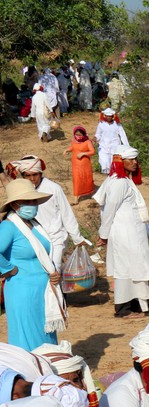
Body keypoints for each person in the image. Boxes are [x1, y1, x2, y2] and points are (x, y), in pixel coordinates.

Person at [0, 180, 67, 351]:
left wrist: (53, 271)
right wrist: (9, 269)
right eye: (28, 201)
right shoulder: (9, 226)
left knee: (45, 333)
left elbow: (43, 254)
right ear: (15, 204)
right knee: (28, 335)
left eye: (34, 201)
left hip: (43, 289)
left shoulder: (34, 225)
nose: (33, 205)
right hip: (22, 290)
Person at [94, 148, 149, 318]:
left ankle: (136, 304)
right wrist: (103, 235)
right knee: (125, 270)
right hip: (124, 233)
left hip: (133, 232)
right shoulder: (119, 183)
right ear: (120, 161)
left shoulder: (126, 181)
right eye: (130, 159)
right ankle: (123, 308)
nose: (135, 162)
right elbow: (109, 210)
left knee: (135, 268)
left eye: (136, 159)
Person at [11, 155, 87, 270]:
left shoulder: (53, 188)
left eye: (35, 174)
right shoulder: (21, 191)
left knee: (53, 270)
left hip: (55, 238)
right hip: (34, 239)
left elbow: (66, 214)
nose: (32, 179)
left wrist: (77, 237)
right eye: (28, 175)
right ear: (23, 176)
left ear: (40, 173)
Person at [63, 126, 96, 201]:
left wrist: (84, 153)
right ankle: (76, 198)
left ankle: (90, 192)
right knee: (76, 179)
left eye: (80, 135)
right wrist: (67, 150)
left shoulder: (87, 142)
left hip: (85, 164)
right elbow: (72, 148)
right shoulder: (74, 141)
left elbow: (92, 152)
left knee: (86, 178)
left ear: (84, 135)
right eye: (77, 135)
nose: (78, 137)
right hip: (75, 164)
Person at [93, 108, 128, 174]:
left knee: (114, 163)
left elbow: (123, 135)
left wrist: (126, 146)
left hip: (115, 146)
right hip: (104, 146)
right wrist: (96, 138)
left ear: (113, 116)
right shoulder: (101, 124)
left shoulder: (117, 124)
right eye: (107, 116)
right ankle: (107, 175)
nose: (109, 117)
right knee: (104, 161)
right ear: (105, 116)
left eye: (110, 116)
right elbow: (98, 134)